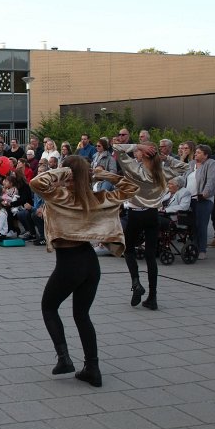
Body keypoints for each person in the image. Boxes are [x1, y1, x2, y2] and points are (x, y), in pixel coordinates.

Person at [30, 156, 138, 387]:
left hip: (69, 263)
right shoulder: (96, 198)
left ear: (66, 172)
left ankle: (64, 359)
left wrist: (64, 172)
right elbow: (131, 187)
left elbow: (36, 182)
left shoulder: (61, 196)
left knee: (48, 307)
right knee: (82, 315)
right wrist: (100, 175)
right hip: (90, 263)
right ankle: (93, 368)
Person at [113, 142, 179, 310]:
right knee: (150, 256)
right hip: (152, 215)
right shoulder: (160, 172)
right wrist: (167, 158)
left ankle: (136, 282)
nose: (136, 153)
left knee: (128, 250)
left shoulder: (135, 169)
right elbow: (184, 167)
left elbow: (116, 147)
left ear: (143, 154)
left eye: (139, 151)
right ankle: (153, 296)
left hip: (136, 214)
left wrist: (138, 145)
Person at [188, 144, 215, 260]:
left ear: (206, 155)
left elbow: (211, 180)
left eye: (199, 152)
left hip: (203, 199)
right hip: (190, 199)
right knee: (192, 224)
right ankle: (193, 246)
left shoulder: (211, 163)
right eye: (195, 152)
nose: (196, 154)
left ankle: (202, 250)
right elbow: (184, 177)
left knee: (201, 224)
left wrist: (205, 193)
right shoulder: (191, 164)